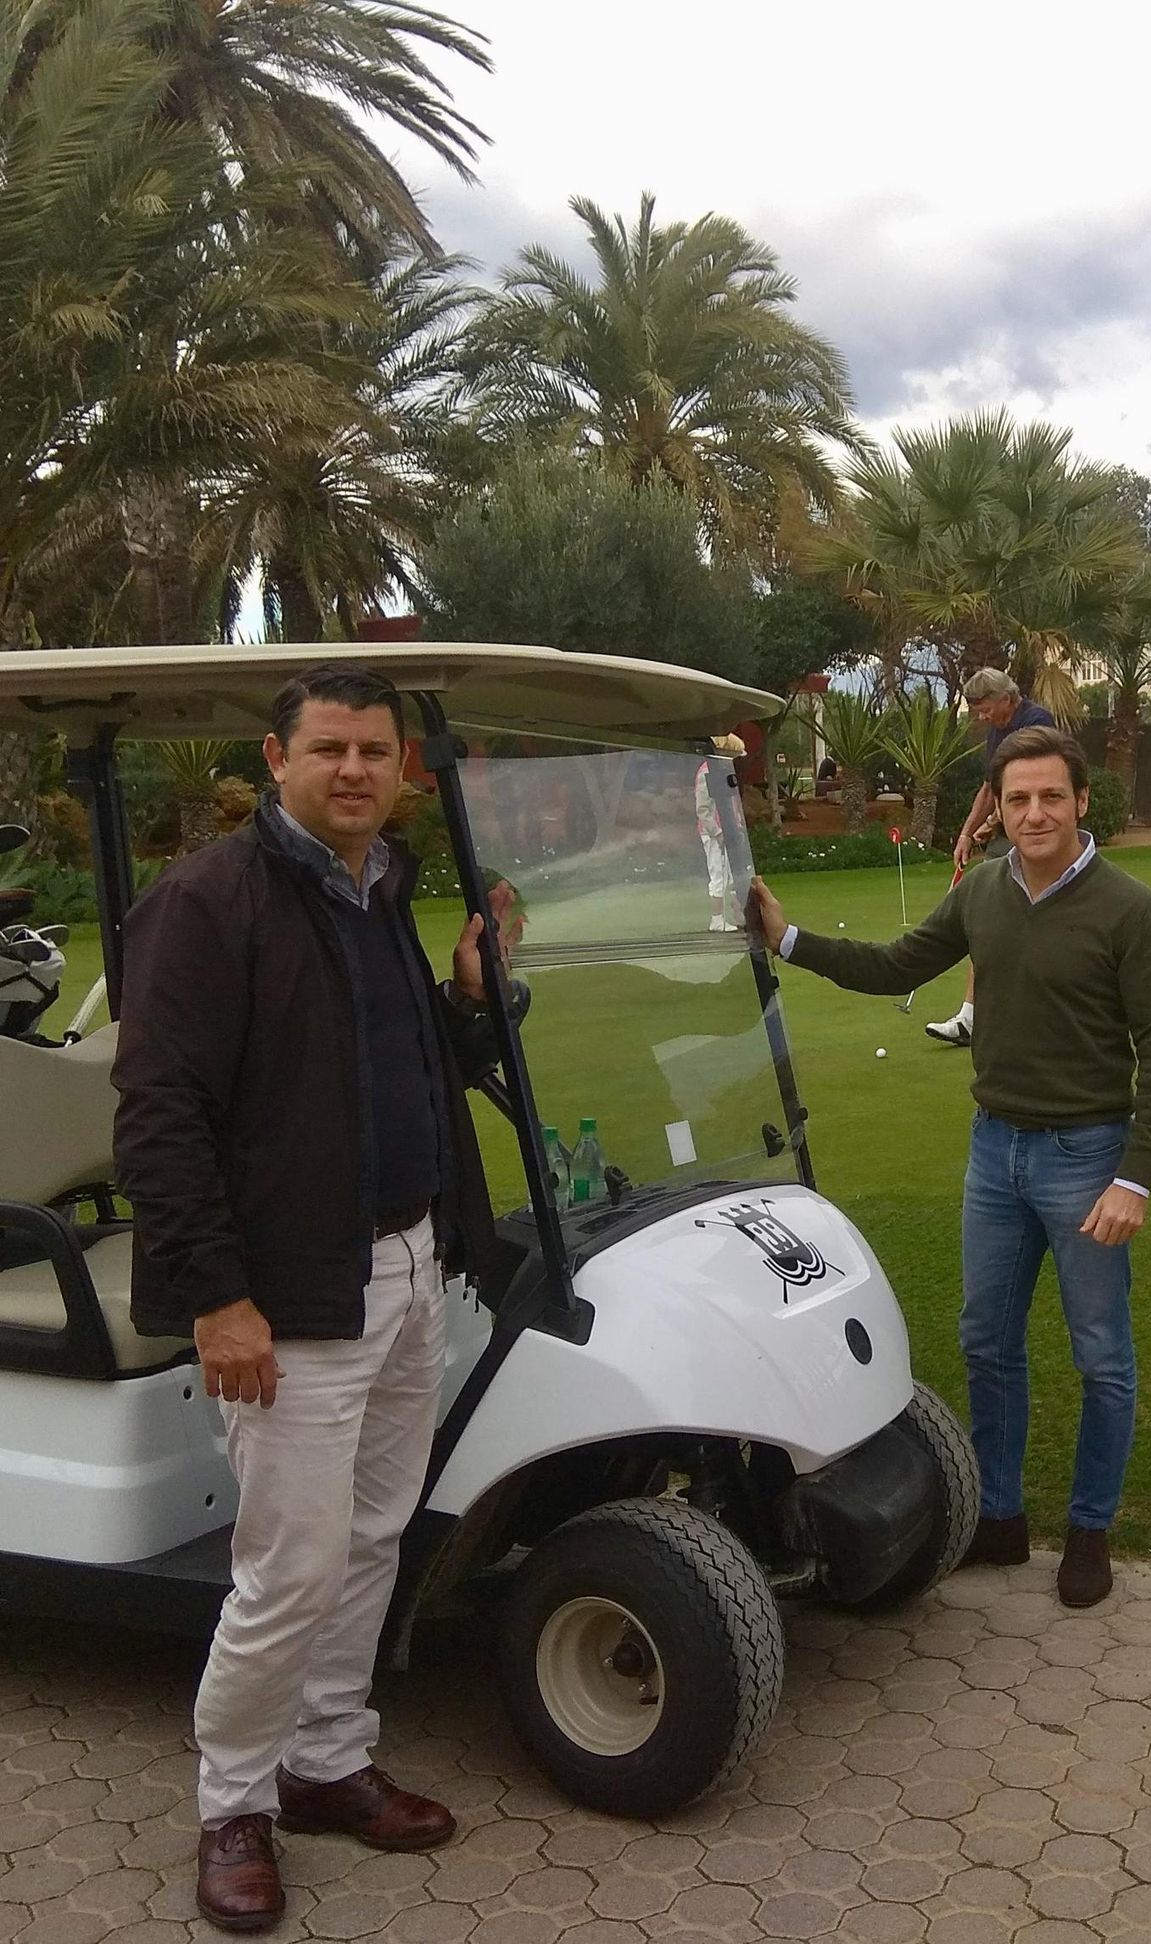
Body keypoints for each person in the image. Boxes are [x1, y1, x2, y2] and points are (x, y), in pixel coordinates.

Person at [112, 661, 517, 1935]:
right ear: (276, 759)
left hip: (401, 1265)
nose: (355, 771)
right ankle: (234, 1804)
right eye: (330, 749)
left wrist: (463, 993)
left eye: (376, 754)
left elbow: (391, 1070)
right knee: (286, 1565)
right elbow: (159, 1116)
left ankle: (328, 1757)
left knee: (372, 1534)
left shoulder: (381, 891)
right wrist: (218, 1299)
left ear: (401, 772)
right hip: (284, 1293)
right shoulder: (207, 900)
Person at [751, 726, 1151, 1608]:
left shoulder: (1131, 910)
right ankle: (997, 1517)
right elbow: (895, 967)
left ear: (1080, 803)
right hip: (996, 1152)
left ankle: (1090, 1528)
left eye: (1051, 797)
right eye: (1017, 798)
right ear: (998, 807)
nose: (1035, 813)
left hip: (1087, 1157)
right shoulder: (983, 891)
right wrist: (787, 937)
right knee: (987, 1343)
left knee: (1101, 1356)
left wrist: (1133, 1179)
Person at [926, 668, 1054, 1046]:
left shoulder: (1035, 722)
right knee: (993, 918)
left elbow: (1034, 784)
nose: (982, 718)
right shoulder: (999, 730)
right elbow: (989, 787)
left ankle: (995, 1014)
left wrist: (996, 822)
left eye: (985, 709)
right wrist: (967, 832)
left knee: (1022, 919)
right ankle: (973, 1016)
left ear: (1006, 698)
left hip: (1035, 831)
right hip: (1007, 832)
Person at [696, 734, 745, 930]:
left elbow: (733, 804)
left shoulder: (723, 771)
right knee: (719, 875)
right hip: (714, 834)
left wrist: (738, 826)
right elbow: (703, 809)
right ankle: (717, 919)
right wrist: (717, 832)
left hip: (730, 830)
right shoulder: (706, 773)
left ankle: (739, 915)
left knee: (734, 876)